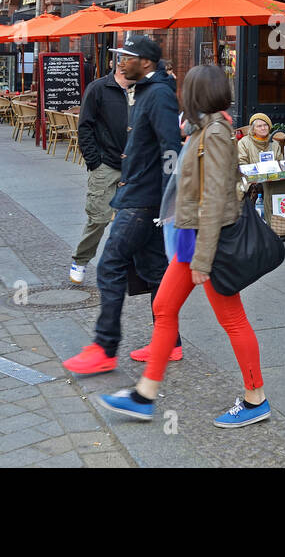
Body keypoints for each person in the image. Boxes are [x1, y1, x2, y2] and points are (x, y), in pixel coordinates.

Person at [96, 64, 271, 428]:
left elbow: (215, 200)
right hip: (191, 241)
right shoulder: (205, 128)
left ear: (197, 94)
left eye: (186, 89)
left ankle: (256, 398)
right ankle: (145, 395)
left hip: (210, 244)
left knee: (232, 318)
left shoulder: (218, 132)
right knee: (163, 306)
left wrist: (202, 260)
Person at [63, 35, 181, 375]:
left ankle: (104, 347)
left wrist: (165, 201)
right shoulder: (146, 90)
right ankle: (170, 343)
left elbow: (170, 148)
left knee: (110, 266)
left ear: (144, 62)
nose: (120, 61)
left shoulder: (158, 94)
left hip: (143, 200)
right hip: (140, 195)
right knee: (157, 272)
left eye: (126, 57)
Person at [70, 59, 132, 287]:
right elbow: (85, 125)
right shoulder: (99, 88)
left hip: (134, 167)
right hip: (105, 164)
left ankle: (124, 266)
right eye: (125, 59)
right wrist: (94, 161)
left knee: (133, 220)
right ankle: (81, 259)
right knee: (99, 218)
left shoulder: (142, 90)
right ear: (116, 63)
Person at [236, 112, 283, 201]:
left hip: (272, 179)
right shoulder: (243, 143)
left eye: (265, 125)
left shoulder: (275, 144)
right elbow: (242, 164)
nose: (263, 128)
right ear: (253, 129)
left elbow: (280, 162)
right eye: (259, 126)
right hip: (251, 180)